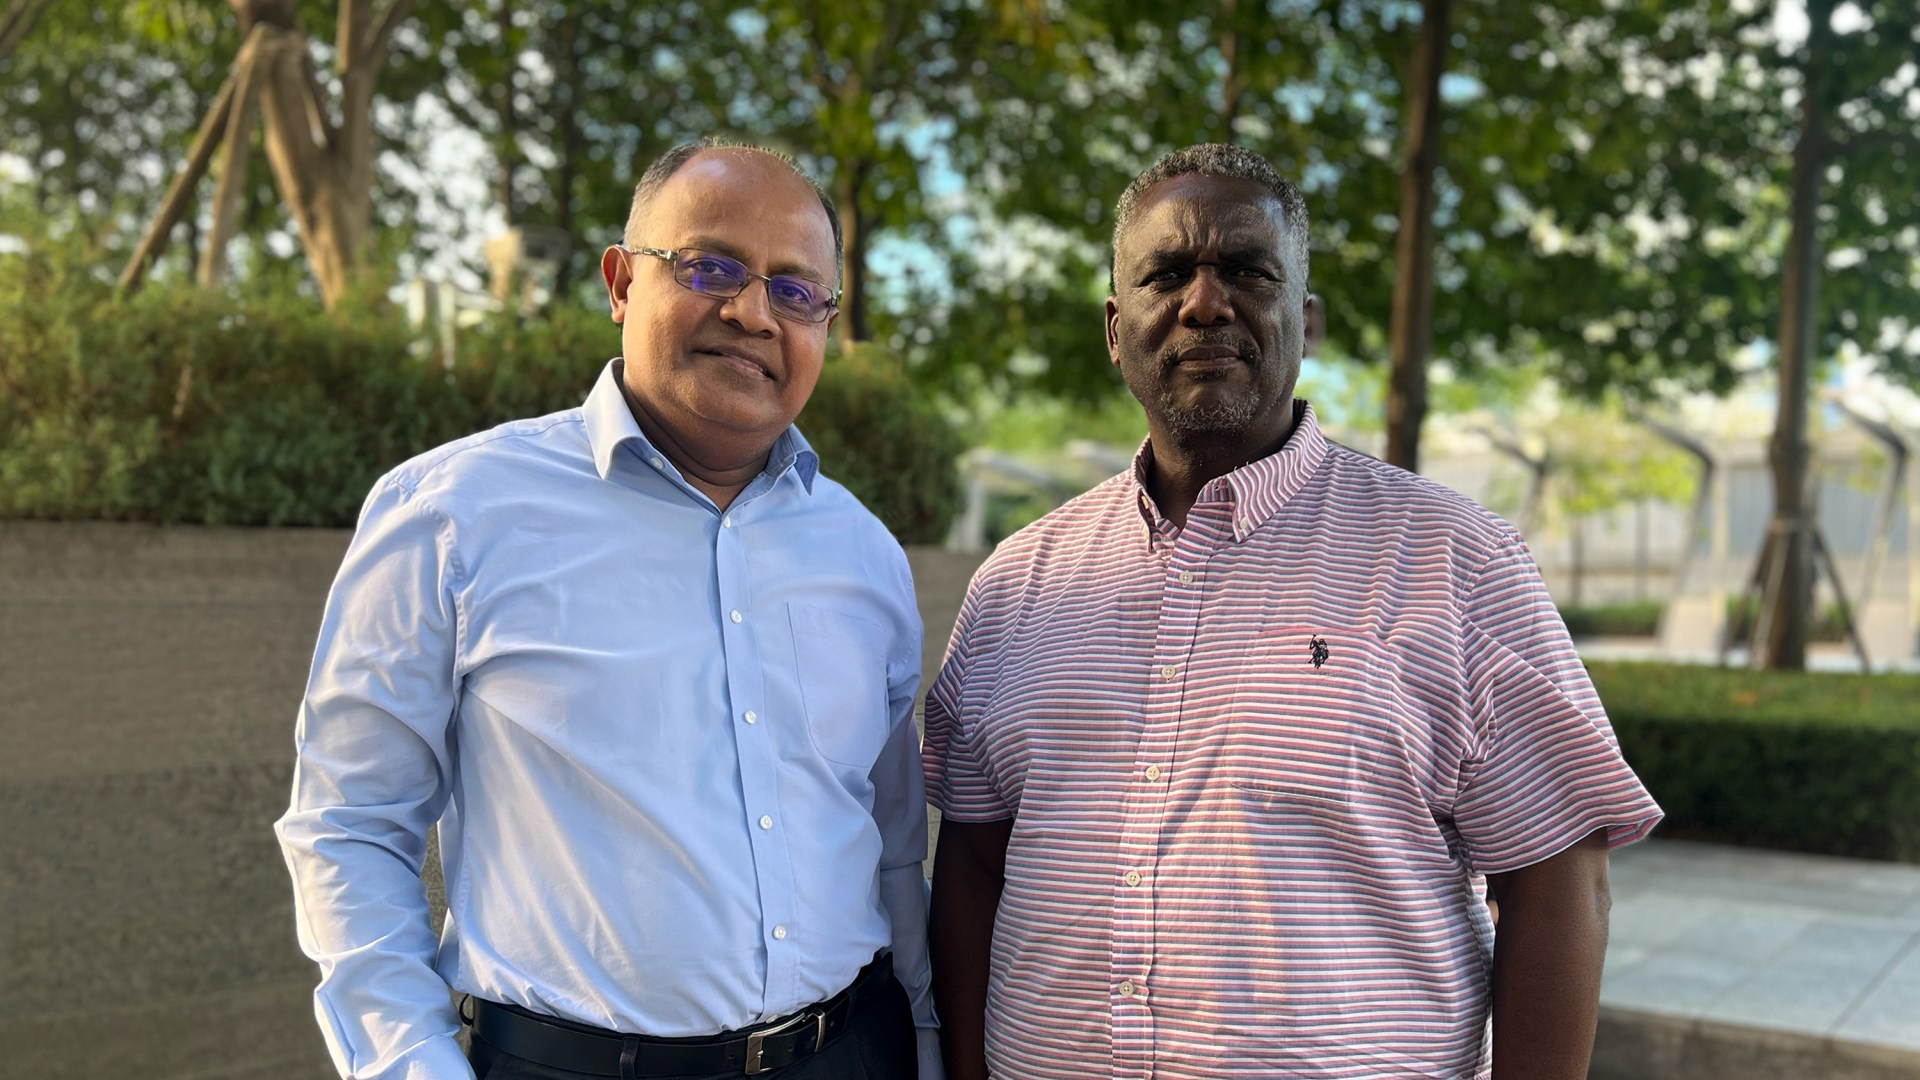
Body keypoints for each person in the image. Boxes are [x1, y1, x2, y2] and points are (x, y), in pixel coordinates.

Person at [923, 143, 1662, 1080]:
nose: (1204, 303)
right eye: (1166, 276)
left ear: (1305, 321)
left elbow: (1559, 878)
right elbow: (973, 867)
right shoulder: (1020, 582)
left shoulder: (1454, 560)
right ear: (1115, 328)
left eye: (1247, 271)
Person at [277, 139, 941, 1080]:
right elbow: (350, 824)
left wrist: (922, 1045)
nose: (753, 313)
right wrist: (410, 1063)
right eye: (711, 267)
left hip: (850, 1052)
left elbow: (892, 848)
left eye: (796, 292)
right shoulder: (453, 516)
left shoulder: (863, 554)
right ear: (622, 282)